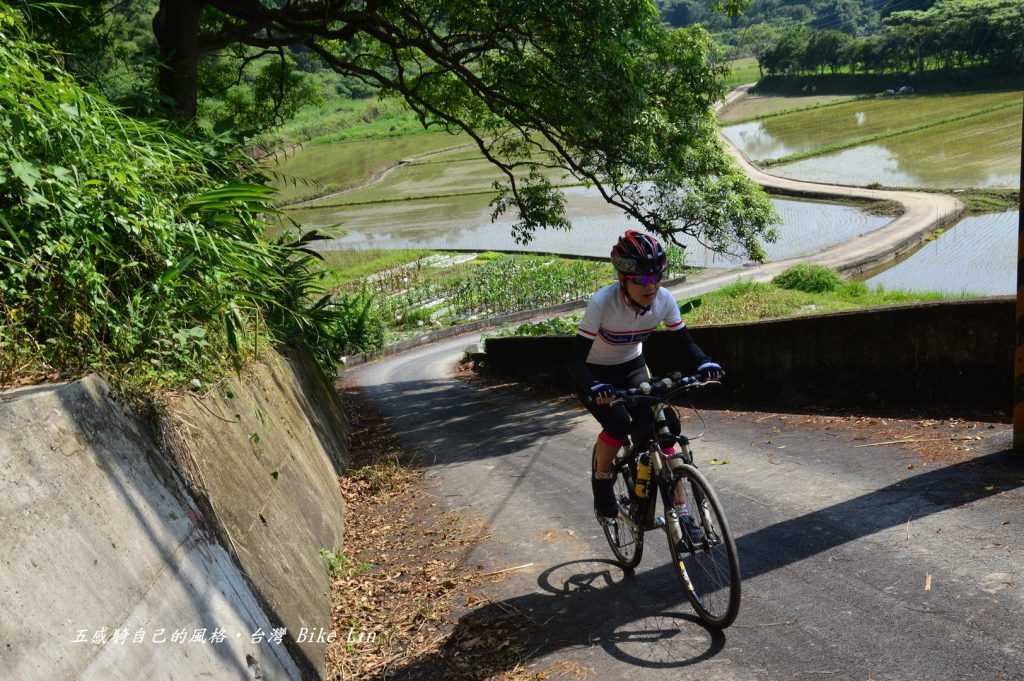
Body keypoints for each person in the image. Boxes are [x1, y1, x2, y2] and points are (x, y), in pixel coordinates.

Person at [572, 230, 723, 542]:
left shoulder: (664, 300)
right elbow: (574, 360)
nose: (650, 286)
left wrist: (704, 362)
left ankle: (681, 514)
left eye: (656, 276)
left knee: (662, 426)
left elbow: (684, 342)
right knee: (618, 423)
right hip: (595, 372)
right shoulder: (602, 303)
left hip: (631, 367)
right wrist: (594, 386)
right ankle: (602, 483)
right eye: (640, 280)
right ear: (623, 279)